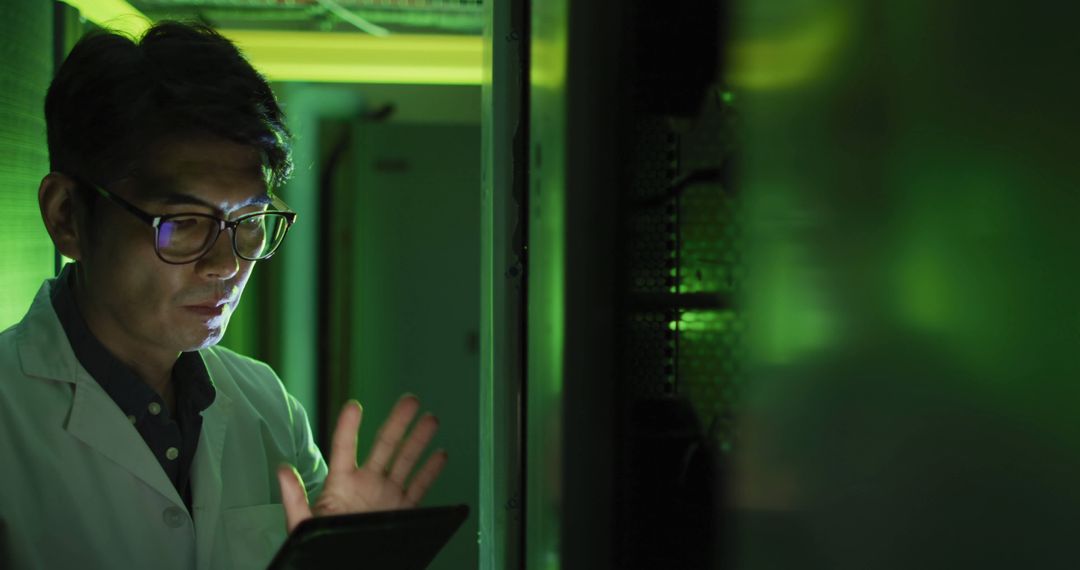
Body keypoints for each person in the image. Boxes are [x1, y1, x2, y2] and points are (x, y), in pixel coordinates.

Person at [0, 21, 448, 569]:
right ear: (67, 216)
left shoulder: (266, 403)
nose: (226, 264)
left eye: (250, 220)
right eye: (184, 222)